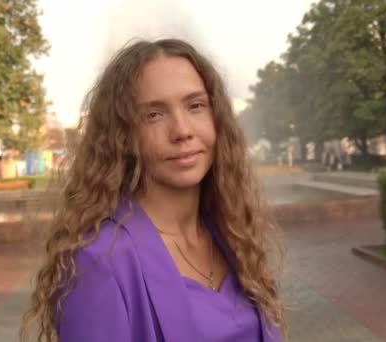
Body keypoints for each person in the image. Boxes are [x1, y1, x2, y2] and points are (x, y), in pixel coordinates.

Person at [20, 39, 284, 342]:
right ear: (123, 136)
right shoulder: (101, 262)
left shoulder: (233, 235)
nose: (182, 130)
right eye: (154, 115)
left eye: (195, 105)